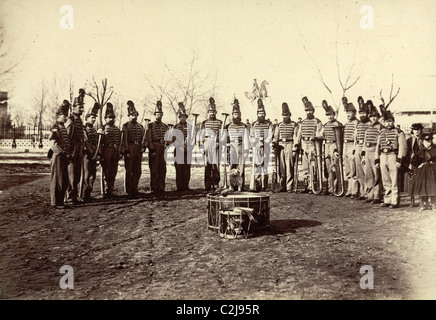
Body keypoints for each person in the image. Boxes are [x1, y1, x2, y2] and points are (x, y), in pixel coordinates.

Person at [375, 110, 407, 208]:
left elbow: (403, 147)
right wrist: (377, 159)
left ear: (393, 121)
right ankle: (387, 199)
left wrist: (399, 160)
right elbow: (377, 147)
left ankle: (395, 200)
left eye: (390, 121)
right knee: (385, 179)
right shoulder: (381, 132)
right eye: (386, 121)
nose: (388, 123)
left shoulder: (399, 132)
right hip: (383, 156)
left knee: (394, 179)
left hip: (393, 156)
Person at [295, 96, 323, 193]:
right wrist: (296, 144)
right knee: (305, 167)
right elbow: (299, 134)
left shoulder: (317, 122)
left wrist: (315, 138)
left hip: (312, 145)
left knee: (313, 166)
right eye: (306, 111)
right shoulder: (303, 122)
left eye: (310, 110)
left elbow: (320, 133)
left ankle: (313, 186)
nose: (308, 112)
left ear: (313, 111)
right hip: (304, 145)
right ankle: (307, 185)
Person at [49, 103, 71, 209]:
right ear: (59, 115)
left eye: (66, 114)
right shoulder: (55, 127)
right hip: (58, 156)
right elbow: (53, 144)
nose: (66, 117)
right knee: (57, 179)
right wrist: (61, 153)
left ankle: (60, 201)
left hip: (63, 157)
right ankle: (55, 202)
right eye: (64, 115)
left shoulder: (63, 127)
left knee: (63, 179)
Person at [65, 89, 86, 204]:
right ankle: (69, 197)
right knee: (71, 174)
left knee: (77, 174)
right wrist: (69, 151)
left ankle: (74, 196)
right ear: (73, 108)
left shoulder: (79, 120)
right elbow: (67, 136)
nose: (81, 109)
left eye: (82, 107)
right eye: (79, 107)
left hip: (79, 149)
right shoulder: (71, 120)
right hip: (72, 148)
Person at [122, 100, 146, 198]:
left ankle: (135, 188)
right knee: (129, 170)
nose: (134, 117)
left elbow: (144, 138)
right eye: (132, 115)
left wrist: (143, 147)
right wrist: (126, 151)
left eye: (135, 115)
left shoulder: (140, 126)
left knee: (137, 170)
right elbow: (124, 140)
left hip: (138, 149)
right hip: (130, 148)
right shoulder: (125, 126)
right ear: (129, 116)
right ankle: (128, 190)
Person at [361, 102, 383, 204]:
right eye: (371, 116)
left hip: (375, 151)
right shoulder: (368, 128)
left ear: (378, 117)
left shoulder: (381, 127)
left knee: (376, 174)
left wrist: (378, 155)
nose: (373, 118)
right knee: (368, 174)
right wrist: (363, 154)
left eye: (375, 116)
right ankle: (369, 194)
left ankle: (377, 195)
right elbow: (365, 142)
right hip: (368, 151)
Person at [225, 98, 250, 191]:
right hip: (232, 148)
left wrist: (246, 150)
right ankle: (231, 185)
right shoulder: (228, 126)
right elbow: (225, 139)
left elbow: (247, 139)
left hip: (241, 147)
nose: (237, 116)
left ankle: (240, 185)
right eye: (235, 114)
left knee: (241, 167)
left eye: (238, 114)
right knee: (232, 167)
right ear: (232, 115)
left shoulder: (244, 126)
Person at [273, 102, 298, 192]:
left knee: (289, 167)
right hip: (280, 146)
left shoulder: (294, 124)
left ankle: (289, 187)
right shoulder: (279, 125)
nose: (285, 117)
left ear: (290, 115)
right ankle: (281, 186)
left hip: (290, 145)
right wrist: (274, 142)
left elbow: (295, 136)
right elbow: (276, 136)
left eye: (286, 115)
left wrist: (295, 147)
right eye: (283, 115)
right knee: (281, 167)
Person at [199, 97, 222, 191]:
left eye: (213, 112)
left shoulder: (220, 122)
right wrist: (201, 146)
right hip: (207, 143)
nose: (212, 113)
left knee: (216, 165)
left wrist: (219, 142)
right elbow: (201, 135)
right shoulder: (204, 123)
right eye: (210, 111)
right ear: (208, 112)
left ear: (216, 112)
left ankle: (215, 183)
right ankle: (207, 184)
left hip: (216, 144)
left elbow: (222, 134)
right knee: (207, 165)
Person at [250, 98, 273, 191]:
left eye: (263, 113)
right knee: (258, 166)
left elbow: (270, 134)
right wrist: (256, 143)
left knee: (265, 166)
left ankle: (265, 185)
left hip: (266, 147)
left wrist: (264, 142)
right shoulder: (254, 124)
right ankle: (258, 184)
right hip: (257, 148)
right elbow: (251, 136)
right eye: (260, 113)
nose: (261, 115)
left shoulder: (268, 124)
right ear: (257, 114)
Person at [146, 100, 169, 193]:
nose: (159, 116)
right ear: (154, 115)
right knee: (154, 169)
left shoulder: (165, 126)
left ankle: (161, 188)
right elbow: (148, 138)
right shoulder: (150, 125)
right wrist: (151, 150)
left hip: (163, 149)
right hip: (154, 148)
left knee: (162, 169)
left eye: (160, 114)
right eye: (157, 114)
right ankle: (154, 188)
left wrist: (167, 143)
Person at [100, 102, 123, 198]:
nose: (111, 119)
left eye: (112, 117)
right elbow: (99, 143)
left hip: (115, 150)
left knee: (113, 171)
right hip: (107, 150)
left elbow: (120, 141)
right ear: (105, 119)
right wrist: (101, 154)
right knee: (106, 171)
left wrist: (120, 151)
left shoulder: (117, 130)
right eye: (109, 118)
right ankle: (105, 191)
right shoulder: (102, 129)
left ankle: (110, 190)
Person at [410, 132, 436, 211]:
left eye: (428, 141)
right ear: (422, 142)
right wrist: (419, 165)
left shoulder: (435, 149)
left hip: (433, 171)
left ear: (431, 141)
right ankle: (423, 204)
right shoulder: (421, 151)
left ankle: (433, 204)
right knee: (422, 186)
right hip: (423, 172)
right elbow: (414, 161)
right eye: (425, 142)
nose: (427, 143)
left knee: (433, 187)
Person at [321, 100, 342, 195]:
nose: (329, 116)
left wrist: (337, 149)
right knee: (328, 168)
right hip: (326, 146)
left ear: (334, 114)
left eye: (331, 115)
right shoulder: (325, 125)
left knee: (335, 167)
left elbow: (340, 139)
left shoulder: (338, 124)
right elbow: (322, 135)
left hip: (334, 145)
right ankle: (330, 188)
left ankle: (336, 188)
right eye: (328, 115)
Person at [353, 97, 371, 200]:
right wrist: (355, 149)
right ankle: (362, 191)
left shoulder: (370, 124)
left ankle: (369, 193)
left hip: (366, 149)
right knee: (359, 171)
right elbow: (355, 137)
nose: (362, 115)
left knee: (367, 171)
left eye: (364, 113)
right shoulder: (358, 124)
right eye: (360, 113)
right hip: (357, 148)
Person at [81, 103, 99, 202]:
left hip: (94, 155)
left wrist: (96, 153)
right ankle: (84, 195)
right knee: (86, 175)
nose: (93, 119)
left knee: (93, 175)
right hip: (87, 155)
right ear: (87, 118)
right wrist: (90, 152)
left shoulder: (94, 130)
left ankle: (88, 194)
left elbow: (96, 142)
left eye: (94, 117)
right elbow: (86, 141)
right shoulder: (84, 129)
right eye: (92, 117)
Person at [404, 123, 424, 206]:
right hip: (411, 162)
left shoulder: (423, 140)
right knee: (411, 180)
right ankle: (411, 200)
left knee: (421, 180)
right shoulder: (409, 140)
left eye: (419, 130)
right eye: (415, 130)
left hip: (421, 162)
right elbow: (406, 152)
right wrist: (408, 163)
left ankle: (421, 200)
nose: (417, 131)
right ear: (413, 130)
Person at [342, 100, 359, 198]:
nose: (348, 114)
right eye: (347, 113)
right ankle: (349, 189)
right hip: (346, 146)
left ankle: (354, 191)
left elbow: (356, 137)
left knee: (353, 169)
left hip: (352, 145)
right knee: (348, 169)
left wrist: (354, 149)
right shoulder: (347, 123)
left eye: (350, 112)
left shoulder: (357, 123)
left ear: (354, 113)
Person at [173, 102, 192, 191]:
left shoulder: (190, 127)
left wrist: (189, 146)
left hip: (188, 150)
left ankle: (186, 185)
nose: (183, 118)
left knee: (187, 168)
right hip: (178, 150)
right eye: (181, 117)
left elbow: (192, 138)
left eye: (184, 117)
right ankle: (179, 186)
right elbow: (173, 139)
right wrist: (179, 147)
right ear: (179, 118)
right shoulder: (176, 127)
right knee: (179, 168)